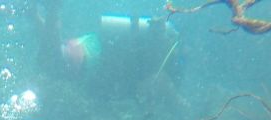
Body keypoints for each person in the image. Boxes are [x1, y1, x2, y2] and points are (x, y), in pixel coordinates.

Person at [32, 1, 182, 101]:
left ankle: (47, 11)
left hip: (89, 51)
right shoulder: (155, 67)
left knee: (54, 57)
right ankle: (48, 10)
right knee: (54, 58)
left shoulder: (153, 65)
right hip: (90, 56)